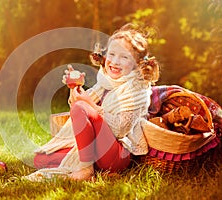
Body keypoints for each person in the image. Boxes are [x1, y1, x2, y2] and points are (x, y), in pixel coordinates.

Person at [27, 24, 160, 181]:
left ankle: (86, 170)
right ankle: (96, 169)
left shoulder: (138, 89)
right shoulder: (105, 81)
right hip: (95, 149)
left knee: (81, 107)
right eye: (112, 54)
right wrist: (74, 88)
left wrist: (89, 104)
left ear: (137, 64)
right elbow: (79, 111)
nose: (115, 62)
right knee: (41, 159)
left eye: (124, 57)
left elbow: (120, 128)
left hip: (116, 154)